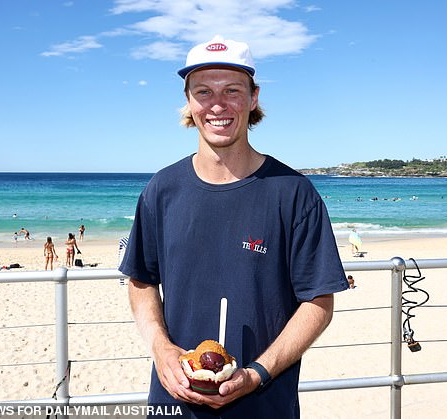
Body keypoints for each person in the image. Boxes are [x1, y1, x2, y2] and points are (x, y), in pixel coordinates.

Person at [119, 35, 348, 418]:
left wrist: (258, 373)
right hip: (173, 403)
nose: (218, 105)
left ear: (253, 98)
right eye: (204, 91)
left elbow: (319, 301)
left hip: (265, 406)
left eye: (233, 90)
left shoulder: (294, 194)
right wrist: (160, 348)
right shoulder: (162, 190)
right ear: (189, 102)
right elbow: (141, 280)